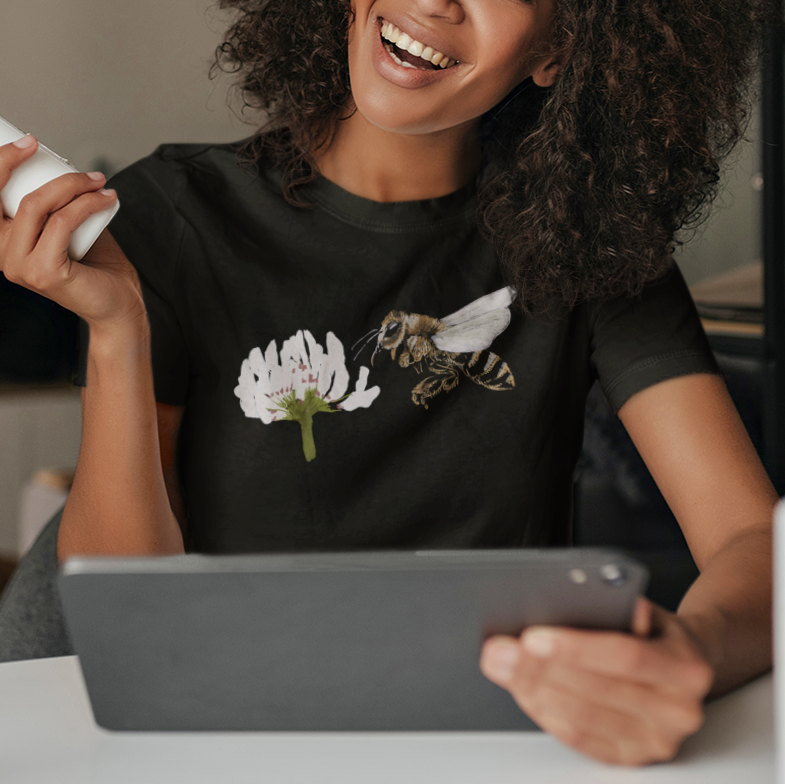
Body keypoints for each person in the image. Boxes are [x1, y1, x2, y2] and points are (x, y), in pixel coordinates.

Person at [0, 0, 778, 767]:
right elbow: (132, 624)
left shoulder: (595, 251)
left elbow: (752, 538)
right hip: (230, 737)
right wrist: (116, 332)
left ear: (560, 48)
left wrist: (692, 650)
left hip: (481, 738)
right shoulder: (174, 216)